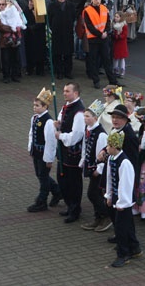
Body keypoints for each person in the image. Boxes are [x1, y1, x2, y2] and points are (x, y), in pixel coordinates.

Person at [104, 132, 142, 268]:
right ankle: (135, 247)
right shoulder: (111, 159)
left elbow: (125, 184)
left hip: (123, 201)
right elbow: (109, 178)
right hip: (116, 198)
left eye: (109, 145)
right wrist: (109, 195)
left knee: (121, 228)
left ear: (115, 146)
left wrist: (122, 203)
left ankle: (123, 254)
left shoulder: (124, 162)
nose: (107, 148)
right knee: (128, 225)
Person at [53, 82, 86, 223]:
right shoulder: (66, 107)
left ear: (76, 93)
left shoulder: (79, 112)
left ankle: (75, 209)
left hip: (73, 154)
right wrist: (59, 124)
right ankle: (69, 205)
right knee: (62, 180)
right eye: (64, 91)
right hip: (63, 152)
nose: (64, 93)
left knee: (73, 183)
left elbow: (76, 135)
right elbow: (64, 122)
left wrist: (61, 136)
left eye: (67, 91)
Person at [26, 88, 61, 213]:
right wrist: (31, 148)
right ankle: (57, 191)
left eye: (37, 105)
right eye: (34, 105)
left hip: (43, 153)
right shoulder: (35, 118)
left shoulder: (48, 121)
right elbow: (32, 134)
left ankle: (42, 201)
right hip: (36, 151)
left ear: (45, 106)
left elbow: (51, 142)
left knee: (43, 177)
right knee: (40, 175)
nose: (34, 108)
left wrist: (49, 159)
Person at [78, 100, 111, 232]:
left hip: (97, 170)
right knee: (94, 193)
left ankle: (106, 216)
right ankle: (98, 218)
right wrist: (82, 161)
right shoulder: (88, 129)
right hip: (90, 166)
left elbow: (102, 154)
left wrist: (99, 169)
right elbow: (86, 147)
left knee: (93, 194)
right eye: (84, 116)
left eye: (88, 116)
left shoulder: (101, 134)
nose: (85, 118)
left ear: (95, 118)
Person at [82, 0, 119, 89]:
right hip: (93, 39)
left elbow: (108, 21)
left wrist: (106, 31)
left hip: (104, 38)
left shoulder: (104, 8)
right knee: (93, 61)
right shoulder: (87, 11)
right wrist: (100, 34)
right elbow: (89, 26)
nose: (97, 1)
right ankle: (96, 81)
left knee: (107, 60)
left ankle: (112, 80)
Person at [47, 0, 77, 80]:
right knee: (57, 54)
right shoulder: (52, 6)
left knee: (68, 53)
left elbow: (73, 17)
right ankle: (59, 72)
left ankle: (68, 72)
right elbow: (49, 18)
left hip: (68, 33)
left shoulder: (71, 6)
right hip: (57, 33)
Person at [112, 11, 129, 78]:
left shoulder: (124, 25)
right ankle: (115, 70)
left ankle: (122, 71)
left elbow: (124, 35)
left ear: (121, 18)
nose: (116, 18)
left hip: (121, 44)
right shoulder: (114, 25)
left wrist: (118, 36)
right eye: (115, 16)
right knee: (115, 58)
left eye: (117, 17)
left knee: (121, 58)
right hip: (116, 44)